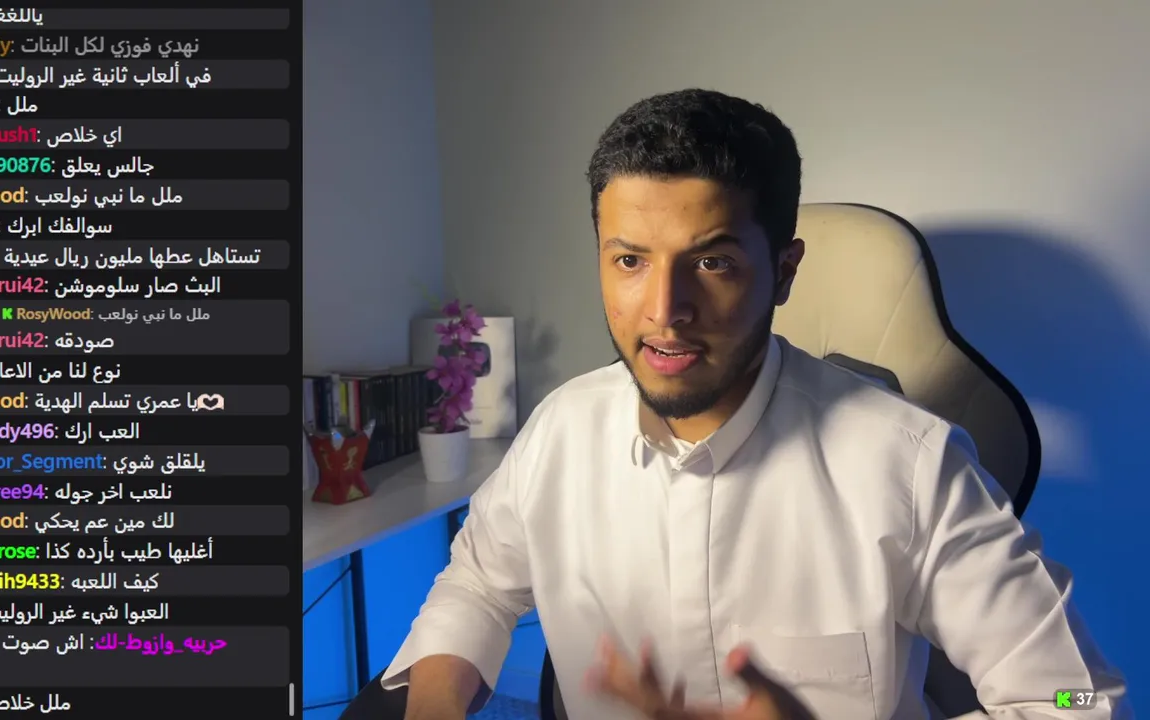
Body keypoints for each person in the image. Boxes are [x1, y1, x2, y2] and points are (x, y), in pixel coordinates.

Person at [371, 90, 1128, 719]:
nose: (664, 309)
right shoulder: (560, 432)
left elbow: (1081, 699)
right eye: (630, 260)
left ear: (785, 271)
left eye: (712, 262)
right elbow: (476, 583)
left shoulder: (911, 466)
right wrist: (435, 700)